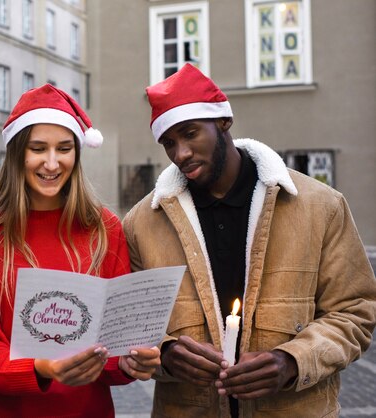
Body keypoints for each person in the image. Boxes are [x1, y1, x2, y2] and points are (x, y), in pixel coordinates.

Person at [122, 63, 376, 418]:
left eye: (190, 133)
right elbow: (130, 326)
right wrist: (164, 353)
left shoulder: (321, 206)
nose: (180, 153)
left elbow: (355, 312)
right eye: (169, 143)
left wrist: (292, 361)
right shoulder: (141, 224)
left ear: (224, 121)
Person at [0, 84, 161, 417]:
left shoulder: (104, 228)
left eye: (64, 148)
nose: (52, 163)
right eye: (38, 148)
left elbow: (114, 348)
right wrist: (43, 368)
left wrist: (131, 361)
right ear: (18, 153)